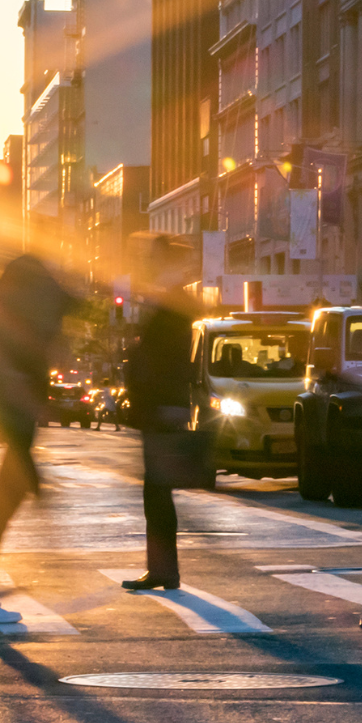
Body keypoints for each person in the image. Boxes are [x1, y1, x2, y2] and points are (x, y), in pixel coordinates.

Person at [0, 254, 75, 625]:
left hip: (10, 416)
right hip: (15, 416)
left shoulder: (1, 302)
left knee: (3, 501)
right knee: (2, 504)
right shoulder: (21, 314)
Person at [121, 236, 206, 592]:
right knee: (157, 490)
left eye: (153, 258)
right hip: (161, 405)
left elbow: (167, 361)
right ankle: (161, 568)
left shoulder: (173, 303)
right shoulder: (170, 301)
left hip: (161, 407)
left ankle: (163, 570)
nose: (147, 264)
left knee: (157, 490)